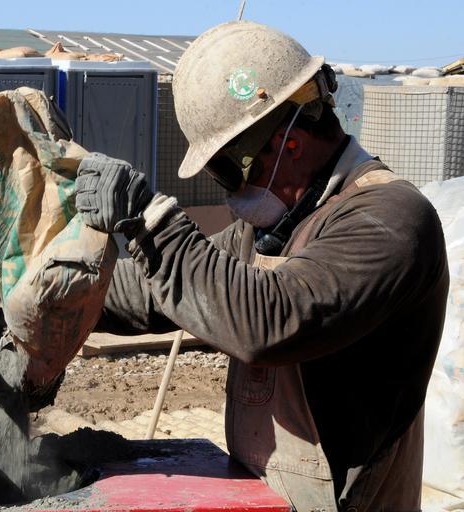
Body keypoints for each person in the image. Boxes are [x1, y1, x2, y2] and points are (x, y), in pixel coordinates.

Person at [74, 21, 449, 511]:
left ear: (290, 143)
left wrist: (150, 222)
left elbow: (269, 319)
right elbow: (155, 290)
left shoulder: (390, 220)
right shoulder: (282, 224)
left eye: (227, 169)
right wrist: (42, 284)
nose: (229, 190)